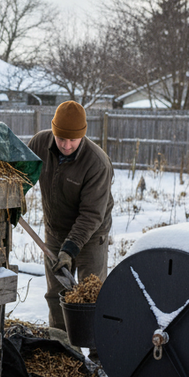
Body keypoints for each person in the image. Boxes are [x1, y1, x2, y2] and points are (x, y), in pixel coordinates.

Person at [27, 100, 114, 350]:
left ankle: (100, 352)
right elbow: (23, 173)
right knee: (56, 295)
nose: (65, 145)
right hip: (55, 230)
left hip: (90, 235)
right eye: (61, 138)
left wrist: (70, 249)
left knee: (90, 296)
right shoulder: (40, 144)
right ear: (53, 131)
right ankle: (63, 348)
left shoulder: (97, 163)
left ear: (83, 136)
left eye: (72, 141)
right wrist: (15, 197)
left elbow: (91, 215)